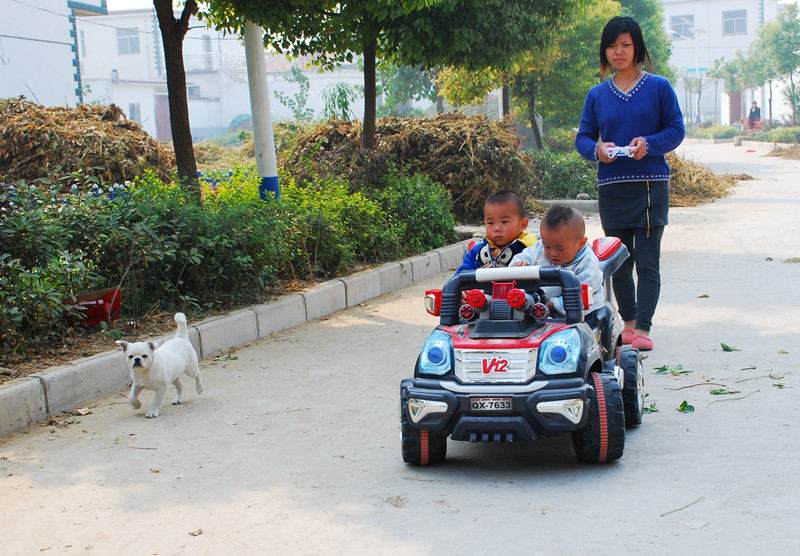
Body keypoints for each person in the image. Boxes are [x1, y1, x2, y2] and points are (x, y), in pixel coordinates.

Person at [574, 16, 685, 351]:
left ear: (637, 48)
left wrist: (648, 145)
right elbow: (583, 138)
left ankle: (644, 329)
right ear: (604, 51)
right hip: (612, 188)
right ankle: (630, 323)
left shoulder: (659, 87)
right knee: (618, 262)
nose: (618, 51)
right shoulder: (597, 95)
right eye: (611, 45)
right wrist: (597, 150)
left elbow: (676, 130)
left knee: (647, 262)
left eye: (625, 44)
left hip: (650, 187)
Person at [510, 204, 603, 315]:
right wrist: (519, 265)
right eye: (547, 246)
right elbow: (525, 256)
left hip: (579, 313)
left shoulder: (587, 262)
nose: (553, 253)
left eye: (560, 249)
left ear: (581, 243)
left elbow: (582, 294)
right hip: (540, 308)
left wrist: (554, 305)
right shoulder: (540, 248)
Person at [456, 190, 537, 273]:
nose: (496, 228)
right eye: (490, 223)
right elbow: (460, 277)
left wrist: (526, 269)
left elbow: (542, 275)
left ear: (523, 224)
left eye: (504, 222)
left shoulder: (531, 251)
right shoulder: (477, 252)